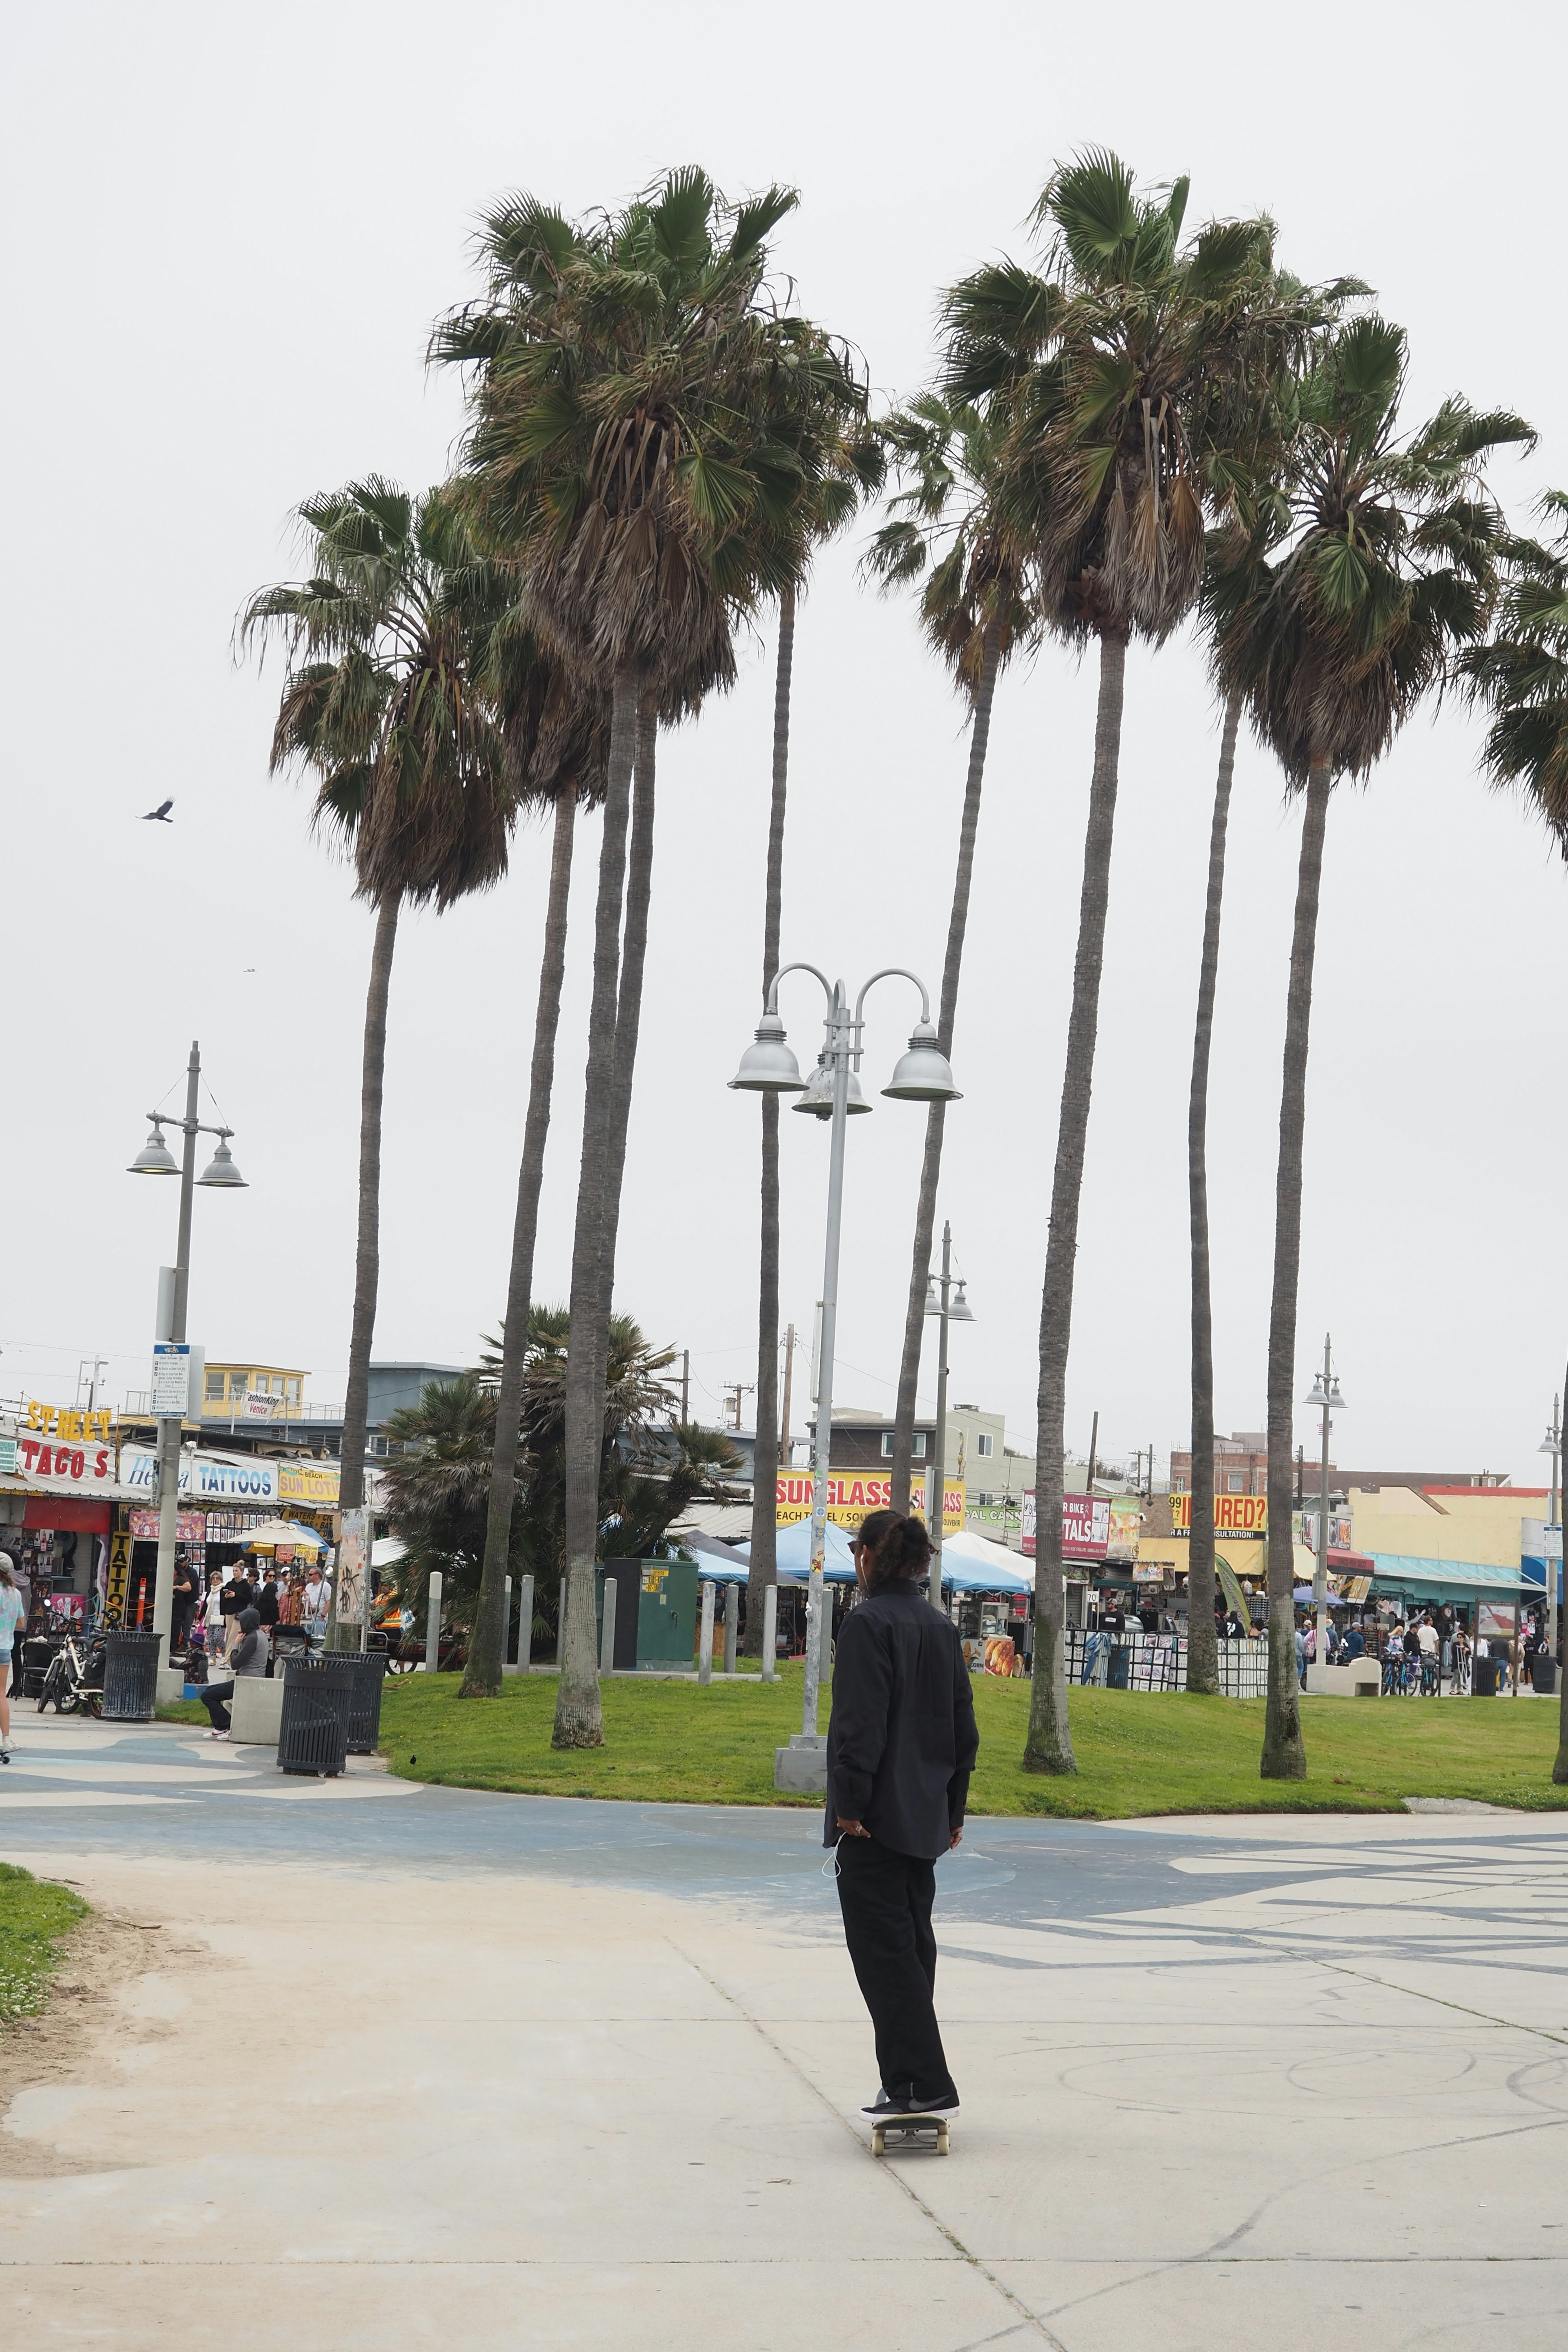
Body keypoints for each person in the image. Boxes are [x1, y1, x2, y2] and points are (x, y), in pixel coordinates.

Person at [824, 1509, 978, 2123]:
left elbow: (858, 1727)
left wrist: (851, 1806)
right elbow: (963, 1728)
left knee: (884, 1955)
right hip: (925, 1819)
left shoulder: (868, 1624)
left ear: (867, 1556)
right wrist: (954, 1807)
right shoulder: (940, 1627)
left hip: (876, 1820)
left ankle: (921, 2082)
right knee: (911, 1950)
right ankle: (908, 2081)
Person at [198, 1606, 269, 1738]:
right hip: (250, 1678)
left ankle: (226, 1725)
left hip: (247, 1681)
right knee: (209, 1693)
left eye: (242, 1621)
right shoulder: (259, 1635)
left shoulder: (252, 1638)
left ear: (248, 1622)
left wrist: (236, 1644)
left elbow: (235, 1664)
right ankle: (220, 1727)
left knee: (207, 1696)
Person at [0, 1557, 24, 1760]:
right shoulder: (15, 1594)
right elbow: (21, 1621)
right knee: (1, 1694)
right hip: (5, 1648)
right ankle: (6, 1740)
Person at [170, 1554, 198, 1652]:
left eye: (182, 1562)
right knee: (177, 1624)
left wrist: (177, 1587)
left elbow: (189, 1587)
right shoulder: (180, 1574)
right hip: (182, 1602)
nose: (180, 1563)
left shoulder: (191, 1573)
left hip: (190, 1602)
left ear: (187, 1563)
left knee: (186, 1625)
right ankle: (181, 1644)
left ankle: (186, 1645)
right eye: (178, 1561)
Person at [302, 1559, 332, 1649]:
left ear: (317, 1575)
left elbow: (329, 1601)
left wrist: (323, 1615)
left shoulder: (325, 1586)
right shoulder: (308, 1586)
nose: (309, 1576)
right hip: (309, 1618)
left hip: (319, 1618)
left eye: (311, 1575)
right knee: (307, 1640)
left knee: (318, 1641)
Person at [202, 1568, 227, 1664]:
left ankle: (224, 1654)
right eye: (213, 1578)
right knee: (211, 1639)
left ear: (221, 1580)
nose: (215, 1580)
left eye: (218, 1578)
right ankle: (213, 1658)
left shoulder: (223, 1590)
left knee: (218, 1637)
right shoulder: (210, 1591)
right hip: (210, 1618)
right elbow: (205, 1605)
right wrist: (200, 1618)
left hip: (221, 1618)